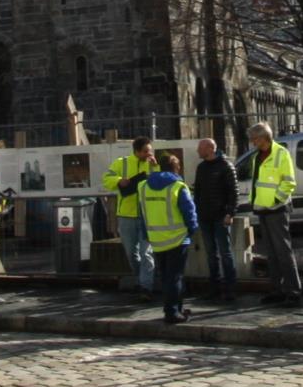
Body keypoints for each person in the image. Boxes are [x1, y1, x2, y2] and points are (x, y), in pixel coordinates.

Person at [139, 151, 199, 324]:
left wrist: (146, 234)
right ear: (176, 168)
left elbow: (142, 214)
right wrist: (192, 230)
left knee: (166, 277)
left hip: (156, 239)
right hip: (177, 238)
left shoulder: (144, 186)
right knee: (175, 277)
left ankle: (176, 308)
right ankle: (172, 312)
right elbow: (189, 212)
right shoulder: (178, 187)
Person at [247, 123, 301, 306]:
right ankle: (277, 290)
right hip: (263, 209)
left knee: (283, 252)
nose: (253, 142)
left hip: (276, 210)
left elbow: (289, 182)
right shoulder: (258, 156)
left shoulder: (280, 153)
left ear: (264, 138)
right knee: (272, 253)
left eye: (255, 138)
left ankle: (293, 291)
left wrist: (276, 201)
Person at [102, 136, 157, 295]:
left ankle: (146, 287)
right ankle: (142, 280)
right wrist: (119, 181)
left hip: (147, 215)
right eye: (146, 151)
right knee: (131, 253)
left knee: (146, 253)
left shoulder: (153, 164)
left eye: (150, 150)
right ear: (137, 151)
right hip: (126, 215)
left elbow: (161, 182)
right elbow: (106, 179)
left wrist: (155, 167)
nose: (149, 153)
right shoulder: (122, 162)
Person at [191, 137, 240, 302]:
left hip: (220, 216)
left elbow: (234, 192)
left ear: (210, 149)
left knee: (225, 253)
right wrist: (196, 211)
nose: (198, 151)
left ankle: (230, 288)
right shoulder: (201, 168)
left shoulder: (226, 166)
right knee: (211, 254)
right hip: (205, 217)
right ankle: (215, 287)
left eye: (200, 148)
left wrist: (230, 213)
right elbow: (197, 191)